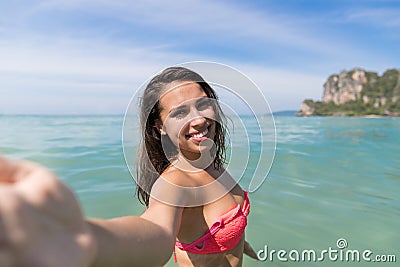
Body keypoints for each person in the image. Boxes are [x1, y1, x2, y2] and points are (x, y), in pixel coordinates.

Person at [0, 67, 257, 267]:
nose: (199, 119)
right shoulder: (176, 182)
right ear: (159, 127)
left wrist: (237, 241)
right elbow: (156, 232)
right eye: (180, 113)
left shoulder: (211, 162)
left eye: (203, 104)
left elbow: (217, 224)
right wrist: (82, 239)